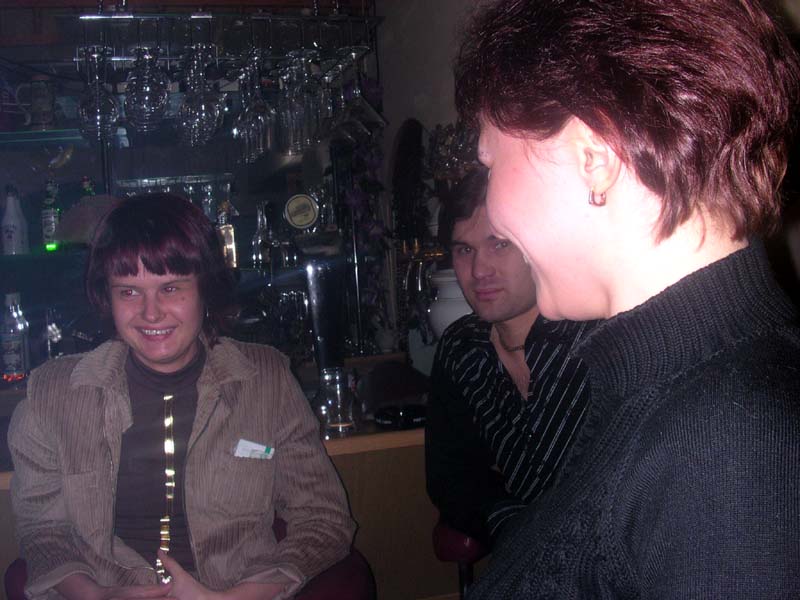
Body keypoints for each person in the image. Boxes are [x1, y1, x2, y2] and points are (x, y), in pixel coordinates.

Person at [453, 0, 800, 597]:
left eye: (491, 165)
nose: (494, 212)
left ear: (594, 156)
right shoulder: (673, 390)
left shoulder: (727, 442)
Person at [9, 193, 355, 600]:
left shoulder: (266, 380)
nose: (151, 313)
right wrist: (95, 595)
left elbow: (323, 518)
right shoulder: (52, 394)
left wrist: (236, 598)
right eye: (128, 292)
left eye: (170, 288)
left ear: (205, 288)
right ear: (108, 297)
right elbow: (43, 531)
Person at [425, 167, 596, 547]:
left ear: (538, 246)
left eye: (499, 244)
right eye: (464, 250)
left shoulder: (596, 337)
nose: (479, 270)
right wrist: (512, 525)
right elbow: (449, 477)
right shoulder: (463, 348)